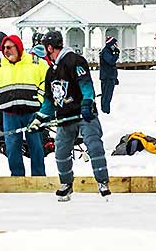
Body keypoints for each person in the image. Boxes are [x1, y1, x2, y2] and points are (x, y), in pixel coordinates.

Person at [28, 31, 110, 201]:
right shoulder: (51, 72)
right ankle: (66, 184)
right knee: (61, 152)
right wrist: (39, 118)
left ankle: (102, 182)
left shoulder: (75, 61)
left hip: (84, 116)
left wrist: (87, 102)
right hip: (65, 118)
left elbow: (86, 86)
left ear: (49, 47)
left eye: (44, 48)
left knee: (94, 146)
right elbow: (50, 101)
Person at [0, 35, 49, 176]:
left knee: (36, 146)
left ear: (18, 48)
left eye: (9, 47)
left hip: (33, 113)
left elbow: (48, 81)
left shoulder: (36, 63)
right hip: (10, 115)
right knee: (12, 147)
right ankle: (17, 177)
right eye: (4, 48)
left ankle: (39, 177)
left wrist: (40, 99)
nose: (6, 51)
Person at [99, 37, 119, 114]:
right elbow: (111, 61)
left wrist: (115, 78)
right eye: (115, 44)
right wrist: (116, 54)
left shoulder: (109, 51)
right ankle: (105, 111)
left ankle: (106, 110)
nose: (116, 46)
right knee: (106, 95)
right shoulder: (106, 52)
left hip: (110, 77)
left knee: (108, 95)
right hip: (107, 77)